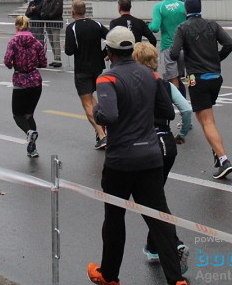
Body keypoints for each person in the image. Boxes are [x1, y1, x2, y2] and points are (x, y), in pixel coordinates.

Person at [87, 26, 189, 285]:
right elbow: (166, 111)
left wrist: (97, 112)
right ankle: (176, 279)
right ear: (131, 49)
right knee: (159, 219)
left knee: (114, 218)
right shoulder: (151, 76)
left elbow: (108, 116)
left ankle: (109, 276)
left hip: (120, 160)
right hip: (150, 157)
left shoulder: (106, 79)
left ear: (108, 52)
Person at [133, 41, 191, 265]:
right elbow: (186, 109)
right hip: (168, 143)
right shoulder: (165, 84)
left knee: (151, 201)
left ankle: (174, 243)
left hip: (146, 144)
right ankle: (153, 246)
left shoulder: (135, 84)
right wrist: (183, 132)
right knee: (155, 197)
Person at [169, 0, 232, 180]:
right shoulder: (212, 25)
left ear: (186, 11)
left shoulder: (183, 28)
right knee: (207, 118)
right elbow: (229, 44)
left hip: (197, 79)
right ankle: (217, 152)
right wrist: (216, 59)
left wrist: (186, 54)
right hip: (216, 77)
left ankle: (224, 160)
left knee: (206, 121)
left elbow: (174, 54)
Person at [64, 0, 110, 149]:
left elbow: (69, 51)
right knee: (92, 98)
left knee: (86, 102)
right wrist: (104, 53)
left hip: (82, 69)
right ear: (85, 11)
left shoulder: (72, 27)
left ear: (73, 12)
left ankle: (102, 135)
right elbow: (111, 37)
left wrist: (67, 46)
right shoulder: (96, 24)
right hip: (97, 68)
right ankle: (104, 126)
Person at [4, 14, 47, 157]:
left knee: (17, 115)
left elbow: (7, 62)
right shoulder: (36, 42)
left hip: (20, 81)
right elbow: (43, 63)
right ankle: (32, 148)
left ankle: (29, 132)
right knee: (29, 115)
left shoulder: (13, 42)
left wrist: (14, 63)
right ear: (29, 26)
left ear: (16, 27)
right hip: (35, 82)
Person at [151, 0, 186, 87]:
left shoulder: (159, 7)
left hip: (168, 46)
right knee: (180, 76)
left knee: (172, 78)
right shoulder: (182, 4)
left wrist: (148, 25)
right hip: (183, 46)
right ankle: (182, 100)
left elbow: (155, 28)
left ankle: (176, 103)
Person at [41, 0, 64, 67]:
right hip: (48, 24)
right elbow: (43, 10)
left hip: (55, 23)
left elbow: (57, 10)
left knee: (56, 41)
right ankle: (55, 58)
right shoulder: (46, 0)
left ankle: (58, 59)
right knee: (52, 42)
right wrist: (44, 15)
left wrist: (48, 15)